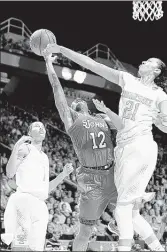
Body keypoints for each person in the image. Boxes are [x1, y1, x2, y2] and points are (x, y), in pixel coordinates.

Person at [45, 43, 167, 251]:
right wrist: (57, 56)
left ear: (156, 71)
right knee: (120, 216)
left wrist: (158, 119)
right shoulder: (125, 82)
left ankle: (129, 237)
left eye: (148, 61)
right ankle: (156, 246)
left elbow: (164, 127)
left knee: (125, 211)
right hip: (108, 164)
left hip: (129, 156)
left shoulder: (155, 98)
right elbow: (87, 69)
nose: (142, 61)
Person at [43, 52, 124, 251]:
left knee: (133, 209)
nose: (74, 103)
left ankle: (118, 224)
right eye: (72, 104)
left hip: (113, 173)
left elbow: (124, 126)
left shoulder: (102, 119)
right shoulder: (72, 120)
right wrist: (49, 64)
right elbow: (57, 89)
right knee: (85, 232)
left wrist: (107, 112)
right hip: (91, 178)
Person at [1, 121, 74, 251]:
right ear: (29, 133)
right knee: (20, 246)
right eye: (36, 126)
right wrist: (17, 145)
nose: (41, 128)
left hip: (40, 205)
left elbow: (46, 188)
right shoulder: (25, 148)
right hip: (24, 202)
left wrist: (63, 174)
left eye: (42, 127)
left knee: (35, 249)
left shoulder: (45, 157)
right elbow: (10, 172)